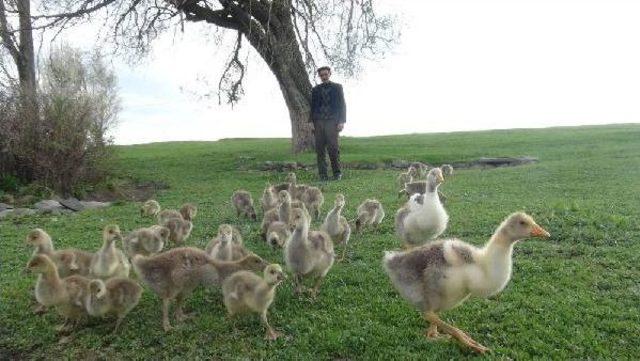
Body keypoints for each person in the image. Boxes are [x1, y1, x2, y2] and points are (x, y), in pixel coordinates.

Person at [309, 66, 346, 181]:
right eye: (321, 75)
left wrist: (341, 121)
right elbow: (312, 107)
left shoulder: (337, 87)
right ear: (319, 76)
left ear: (330, 74)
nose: (324, 77)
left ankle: (337, 173)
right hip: (318, 121)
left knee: (333, 148)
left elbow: (342, 105)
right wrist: (310, 121)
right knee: (320, 149)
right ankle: (323, 175)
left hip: (332, 121)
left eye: (325, 74)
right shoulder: (315, 90)